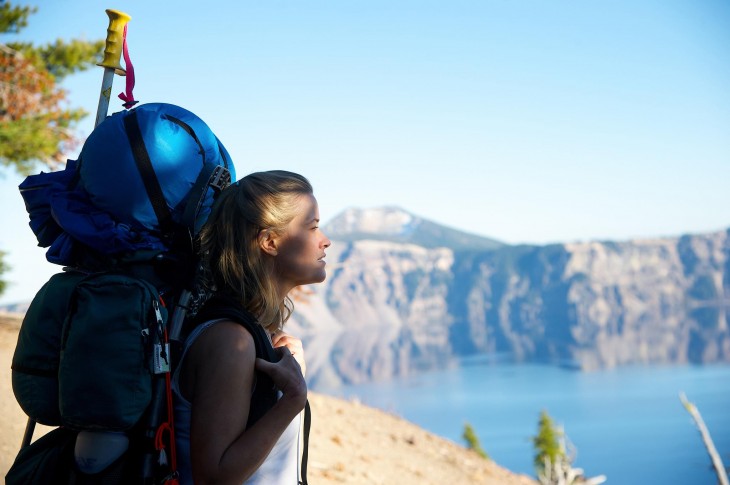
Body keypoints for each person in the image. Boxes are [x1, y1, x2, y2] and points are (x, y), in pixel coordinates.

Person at [171, 170, 331, 484]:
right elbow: (214, 475)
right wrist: (293, 398)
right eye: (312, 227)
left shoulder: (252, 335)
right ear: (269, 241)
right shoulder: (230, 340)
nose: (325, 240)